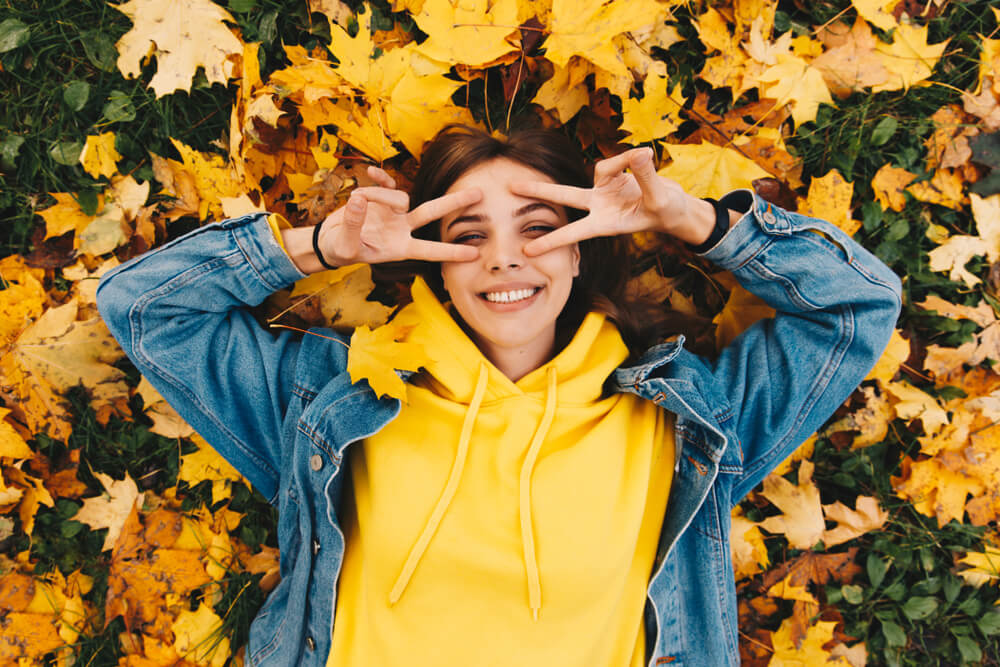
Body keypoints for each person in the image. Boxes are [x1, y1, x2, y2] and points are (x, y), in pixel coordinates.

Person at [97, 124, 901, 667]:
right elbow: (145, 306)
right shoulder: (331, 402)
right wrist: (324, 245)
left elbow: (857, 305)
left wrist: (686, 217)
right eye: (468, 234)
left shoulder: (688, 423)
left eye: (541, 226)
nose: (504, 259)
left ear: (583, 251)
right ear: (437, 262)